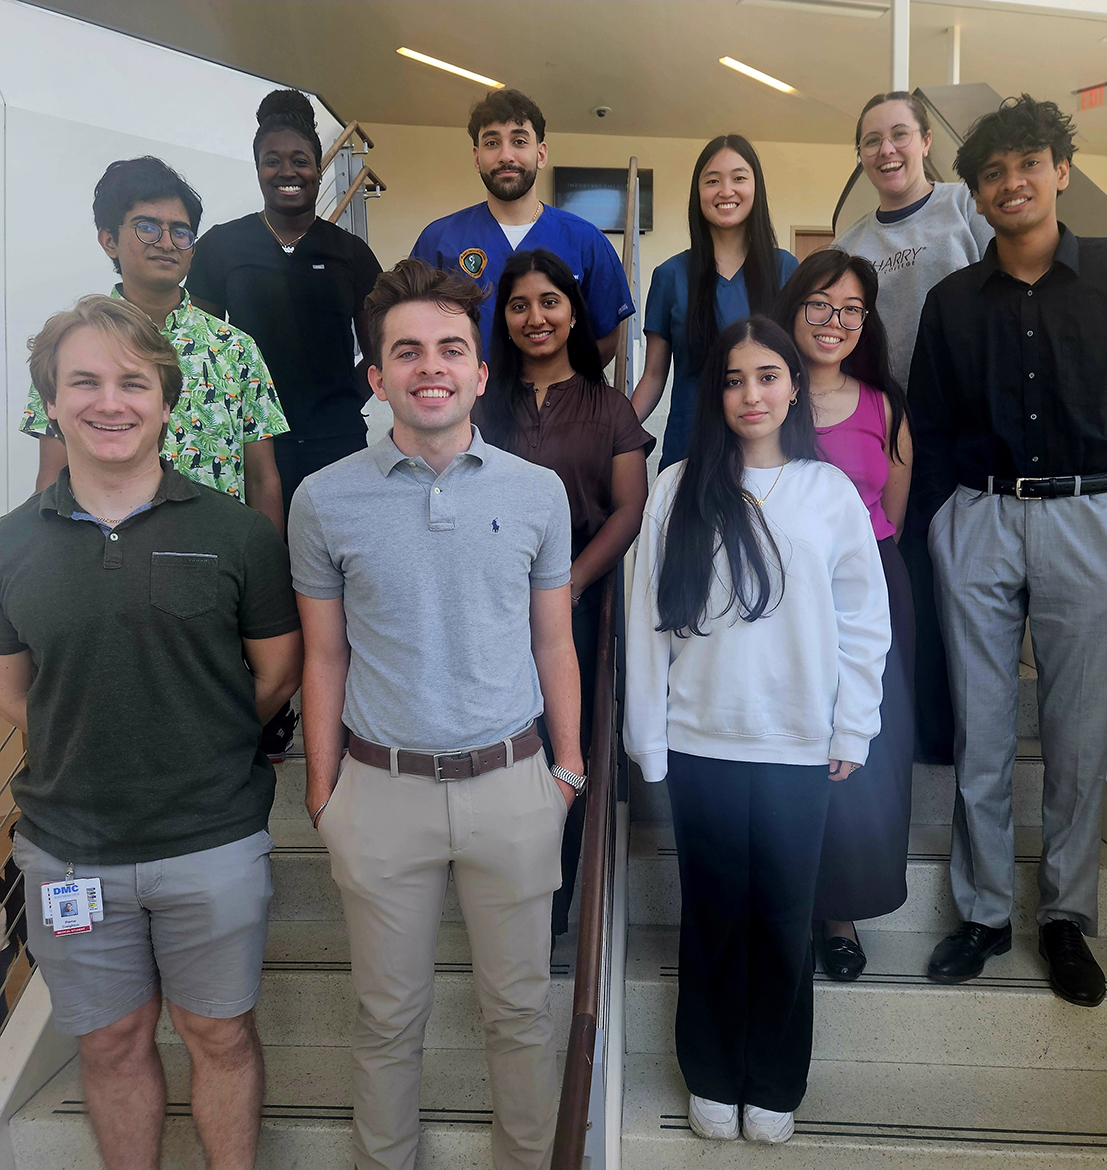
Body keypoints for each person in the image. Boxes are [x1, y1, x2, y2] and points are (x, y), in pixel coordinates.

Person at [289, 259, 582, 1169]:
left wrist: (566, 773)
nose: (432, 367)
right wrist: (325, 791)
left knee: (523, 1014)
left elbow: (555, 645)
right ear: (376, 378)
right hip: (380, 792)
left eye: (451, 348)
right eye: (406, 351)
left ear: (479, 372)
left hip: (513, 785)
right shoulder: (323, 499)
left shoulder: (538, 493)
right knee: (385, 1018)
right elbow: (324, 655)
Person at [0, 296, 303, 1169]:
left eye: (133, 382)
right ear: (49, 404)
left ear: (166, 401)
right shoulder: (12, 546)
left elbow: (277, 671)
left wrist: (199, 737)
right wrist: (94, 740)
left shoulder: (237, 534)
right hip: (70, 854)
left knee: (220, 1034)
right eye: (83, 381)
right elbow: (14, 690)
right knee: (110, 1044)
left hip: (211, 843)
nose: (110, 402)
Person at [910, 96, 1107, 1006]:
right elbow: (931, 426)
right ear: (976, 195)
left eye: (1028, 163)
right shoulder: (950, 302)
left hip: (1095, 520)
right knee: (982, 726)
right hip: (978, 518)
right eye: (992, 172)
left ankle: (1064, 919)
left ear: (1060, 170)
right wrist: (942, 522)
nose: (1011, 182)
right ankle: (982, 914)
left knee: (1075, 731)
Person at [624, 315, 889, 1144]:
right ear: (716, 391)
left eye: (767, 376)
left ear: (793, 387)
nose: (751, 393)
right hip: (702, 743)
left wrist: (854, 729)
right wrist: (649, 741)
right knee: (711, 915)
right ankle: (709, 1073)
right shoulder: (676, 488)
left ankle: (774, 1081)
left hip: (798, 747)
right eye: (734, 379)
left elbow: (863, 621)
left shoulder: (829, 492)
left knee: (782, 917)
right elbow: (644, 624)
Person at [476, 248, 651, 941]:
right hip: (482, 605)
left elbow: (629, 509)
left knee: (561, 751)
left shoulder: (609, 407)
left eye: (550, 301)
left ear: (573, 312)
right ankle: (492, 896)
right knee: (490, 746)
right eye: (519, 304)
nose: (535, 317)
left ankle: (548, 912)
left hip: (571, 614)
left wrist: (569, 583)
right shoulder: (481, 401)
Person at [835, 91, 996, 767]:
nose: (887, 150)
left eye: (899, 135)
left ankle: (980, 740)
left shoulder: (966, 208)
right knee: (916, 589)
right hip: (894, 438)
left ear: (927, 141)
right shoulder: (852, 245)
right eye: (872, 140)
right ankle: (926, 738)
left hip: (978, 430)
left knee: (977, 593)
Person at [773, 249, 914, 981]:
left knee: (859, 759)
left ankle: (842, 912)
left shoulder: (882, 404)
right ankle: (787, 901)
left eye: (851, 308)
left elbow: (889, 511)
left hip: (868, 593)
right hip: (779, 597)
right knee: (787, 748)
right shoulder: (766, 394)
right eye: (820, 305)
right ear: (792, 310)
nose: (835, 322)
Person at [21, 156, 288, 531]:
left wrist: (267, 571)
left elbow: (263, 479)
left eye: (181, 231)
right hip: (101, 554)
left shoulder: (235, 347)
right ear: (108, 240)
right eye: (147, 227)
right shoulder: (70, 346)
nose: (166, 243)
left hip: (217, 562)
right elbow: (52, 473)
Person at [186, 88, 382, 518]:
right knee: (261, 567)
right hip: (252, 444)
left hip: (337, 443)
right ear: (258, 169)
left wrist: (343, 401)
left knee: (339, 565)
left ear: (318, 170)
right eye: (272, 160)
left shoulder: (351, 253)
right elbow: (203, 354)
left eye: (300, 160)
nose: (286, 171)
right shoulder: (222, 245)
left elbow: (379, 353)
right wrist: (238, 413)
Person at [411, 88, 634, 364]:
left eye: (519, 141)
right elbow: (414, 328)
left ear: (541, 154)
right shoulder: (438, 240)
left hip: (559, 405)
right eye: (492, 143)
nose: (506, 155)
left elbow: (607, 335)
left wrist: (563, 394)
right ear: (476, 157)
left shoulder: (586, 240)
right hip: (468, 405)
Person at [631, 135, 798, 468]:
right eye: (712, 180)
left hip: (767, 453)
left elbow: (800, 368)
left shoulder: (785, 269)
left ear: (756, 188)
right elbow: (653, 376)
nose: (726, 191)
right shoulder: (670, 275)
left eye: (738, 178)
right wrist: (614, 431)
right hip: (691, 452)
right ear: (698, 192)